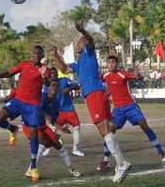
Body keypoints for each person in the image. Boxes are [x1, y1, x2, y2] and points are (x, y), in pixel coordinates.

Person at [50, 22, 131, 183]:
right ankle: (121, 162)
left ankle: (121, 163)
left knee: (103, 129)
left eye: (80, 41)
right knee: (106, 130)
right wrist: (55, 55)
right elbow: (64, 69)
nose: (78, 44)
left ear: (84, 44)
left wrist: (82, 31)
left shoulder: (88, 52)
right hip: (95, 95)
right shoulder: (78, 63)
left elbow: (91, 40)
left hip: (95, 93)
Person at [0, 45, 48, 182]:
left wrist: (44, 76)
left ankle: (33, 166)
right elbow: (9, 73)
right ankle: (12, 129)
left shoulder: (44, 69)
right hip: (18, 101)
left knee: (34, 132)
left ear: (41, 56)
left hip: (33, 105)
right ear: (31, 54)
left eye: (38, 54)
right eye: (33, 53)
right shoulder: (24, 64)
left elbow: (50, 83)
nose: (35, 56)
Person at [102, 55, 165, 166]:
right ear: (107, 64)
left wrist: (138, 75)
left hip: (130, 106)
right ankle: (105, 159)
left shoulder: (123, 73)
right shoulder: (105, 76)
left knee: (144, 125)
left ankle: (160, 151)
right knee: (109, 131)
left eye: (113, 62)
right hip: (118, 109)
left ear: (117, 64)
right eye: (109, 62)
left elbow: (135, 77)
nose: (111, 64)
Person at [49, 67, 85, 157]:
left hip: (69, 109)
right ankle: (47, 147)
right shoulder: (47, 85)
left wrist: (69, 89)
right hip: (57, 111)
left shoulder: (64, 80)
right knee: (53, 129)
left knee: (76, 127)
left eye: (55, 73)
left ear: (57, 74)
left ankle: (76, 149)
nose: (53, 75)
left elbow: (77, 86)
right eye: (51, 73)